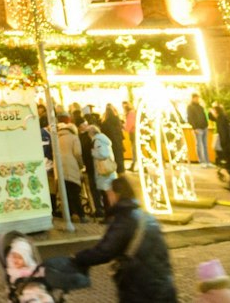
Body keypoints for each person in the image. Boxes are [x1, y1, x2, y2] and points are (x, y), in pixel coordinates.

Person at [70, 175, 178, 303]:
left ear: (117, 194)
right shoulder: (148, 217)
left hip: (140, 290)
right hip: (164, 285)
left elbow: (104, 251)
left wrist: (79, 258)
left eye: (110, 194)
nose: (109, 199)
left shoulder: (124, 220)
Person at [56, 113, 86, 222]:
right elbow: (77, 153)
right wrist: (81, 165)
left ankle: (70, 214)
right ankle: (81, 214)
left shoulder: (57, 138)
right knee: (75, 191)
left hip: (60, 168)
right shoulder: (74, 138)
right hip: (72, 166)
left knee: (66, 192)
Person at [79, 117, 104, 221]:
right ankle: (101, 208)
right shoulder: (102, 139)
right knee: (100, 188)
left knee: (95, 188)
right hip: (100, 168)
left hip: (93, 168)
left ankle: (99, 209)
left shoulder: (91, 141)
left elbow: (85, 154)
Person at [90, 122, 118, 212]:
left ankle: (110, 213)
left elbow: (103, 153)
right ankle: (112, 213)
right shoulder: (103, 139)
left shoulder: (97, 141)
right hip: (108, 170)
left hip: (104, 171)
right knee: (109, 192)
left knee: (108, 193)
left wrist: (93, 153)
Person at [103, 105, 128, 174]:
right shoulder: (117, 121)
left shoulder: (105, 123)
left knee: (114, 161)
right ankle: (122, 175)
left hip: (111, 145)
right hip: (119, 143)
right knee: (120, 160)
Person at [187, 94, 210, 165]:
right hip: (197, 128)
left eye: (198, 98)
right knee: (199, 145)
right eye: (196, 98)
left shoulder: (200, 107)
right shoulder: (190, 107)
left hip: (204, 127)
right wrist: (194, 128)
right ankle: (202, 161)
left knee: (205, 145)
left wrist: (206, 124)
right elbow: (190, 118)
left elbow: (204, 116)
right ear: (193, 98)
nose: (197, 99)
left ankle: (207, 161)